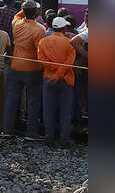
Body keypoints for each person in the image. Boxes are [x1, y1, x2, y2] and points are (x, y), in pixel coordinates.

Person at [2, 0, 46, 140]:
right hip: (32, 68)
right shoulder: (39, 29)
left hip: (15, 65)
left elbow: (19, 14)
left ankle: (7, 130)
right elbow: (40, 51)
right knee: (33, 101)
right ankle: (31, 132)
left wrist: (26, 6)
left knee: (11, 99)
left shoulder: (16, 23)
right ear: (36, 12)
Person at [38, 17, 77, 148]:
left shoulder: (43, 42)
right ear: (64, 28)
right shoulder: (70, 43)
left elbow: (41, 60)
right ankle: (64, 139)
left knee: (48, 109)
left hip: (48, 79)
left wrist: (53, 74)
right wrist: (59, 74)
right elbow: (69, 63)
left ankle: (49, 137)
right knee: (65, 111)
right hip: (66, 79)